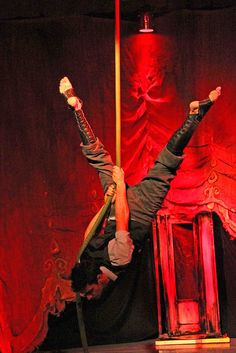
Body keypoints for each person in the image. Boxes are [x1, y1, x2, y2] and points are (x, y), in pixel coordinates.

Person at [59, 77, 221, 300]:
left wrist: (118, 189)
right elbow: (90, 233)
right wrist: (109, 201)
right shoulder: (87, 260)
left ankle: (195, 115)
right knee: (99, 159)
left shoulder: (119, 260)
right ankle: (75, 106)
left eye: (88, 292)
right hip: (118, 207)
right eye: (87, 294)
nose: (88, 297)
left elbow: (122, 220)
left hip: (134, 210)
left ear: (98, 279)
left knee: (166, 165)